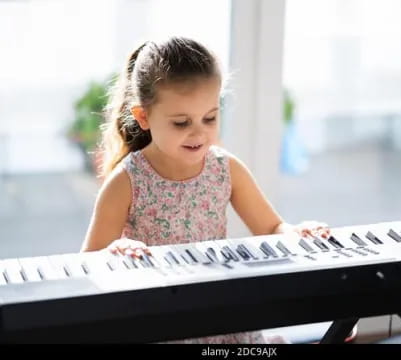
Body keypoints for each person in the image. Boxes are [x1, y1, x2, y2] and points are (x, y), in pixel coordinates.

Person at [81, 37, 330, 344]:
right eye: (181, 122)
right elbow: (87, 263)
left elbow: (271, 227)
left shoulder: (226, 169)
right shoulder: (127, 182)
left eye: (210, 117)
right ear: (143, 117)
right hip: (161, 320)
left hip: (221, 315)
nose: (199, 132)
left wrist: (296, 232)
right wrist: (113, 253)